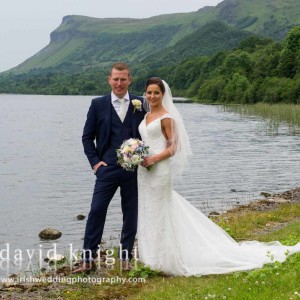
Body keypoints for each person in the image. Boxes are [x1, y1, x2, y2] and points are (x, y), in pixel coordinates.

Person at [137, 77, 300, 276]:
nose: (152, 96)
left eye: (156, 92)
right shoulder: (145, 116)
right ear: (145, 93)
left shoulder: (167, 117)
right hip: (144, 172)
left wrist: (154, 158)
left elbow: (174, 147)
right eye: (149, 92)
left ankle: (166, 259)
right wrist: (136, 154)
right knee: (148, 209)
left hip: (159, 169)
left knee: (162, 209)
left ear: (163, 94)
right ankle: (151, 256)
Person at [73, 62, 146, 273]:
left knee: (130, 212)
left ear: (129, 80)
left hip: (133, 170)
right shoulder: (98, 104)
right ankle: (88, 259)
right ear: (109, 80)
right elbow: (87, 138)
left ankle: (126, 258)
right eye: (116, 79)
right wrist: (96, 163)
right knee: (96, 210)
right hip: (106, 169)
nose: (119, 83)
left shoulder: (140, 103)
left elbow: (149, 132)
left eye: (123, 79)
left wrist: (143, 156)